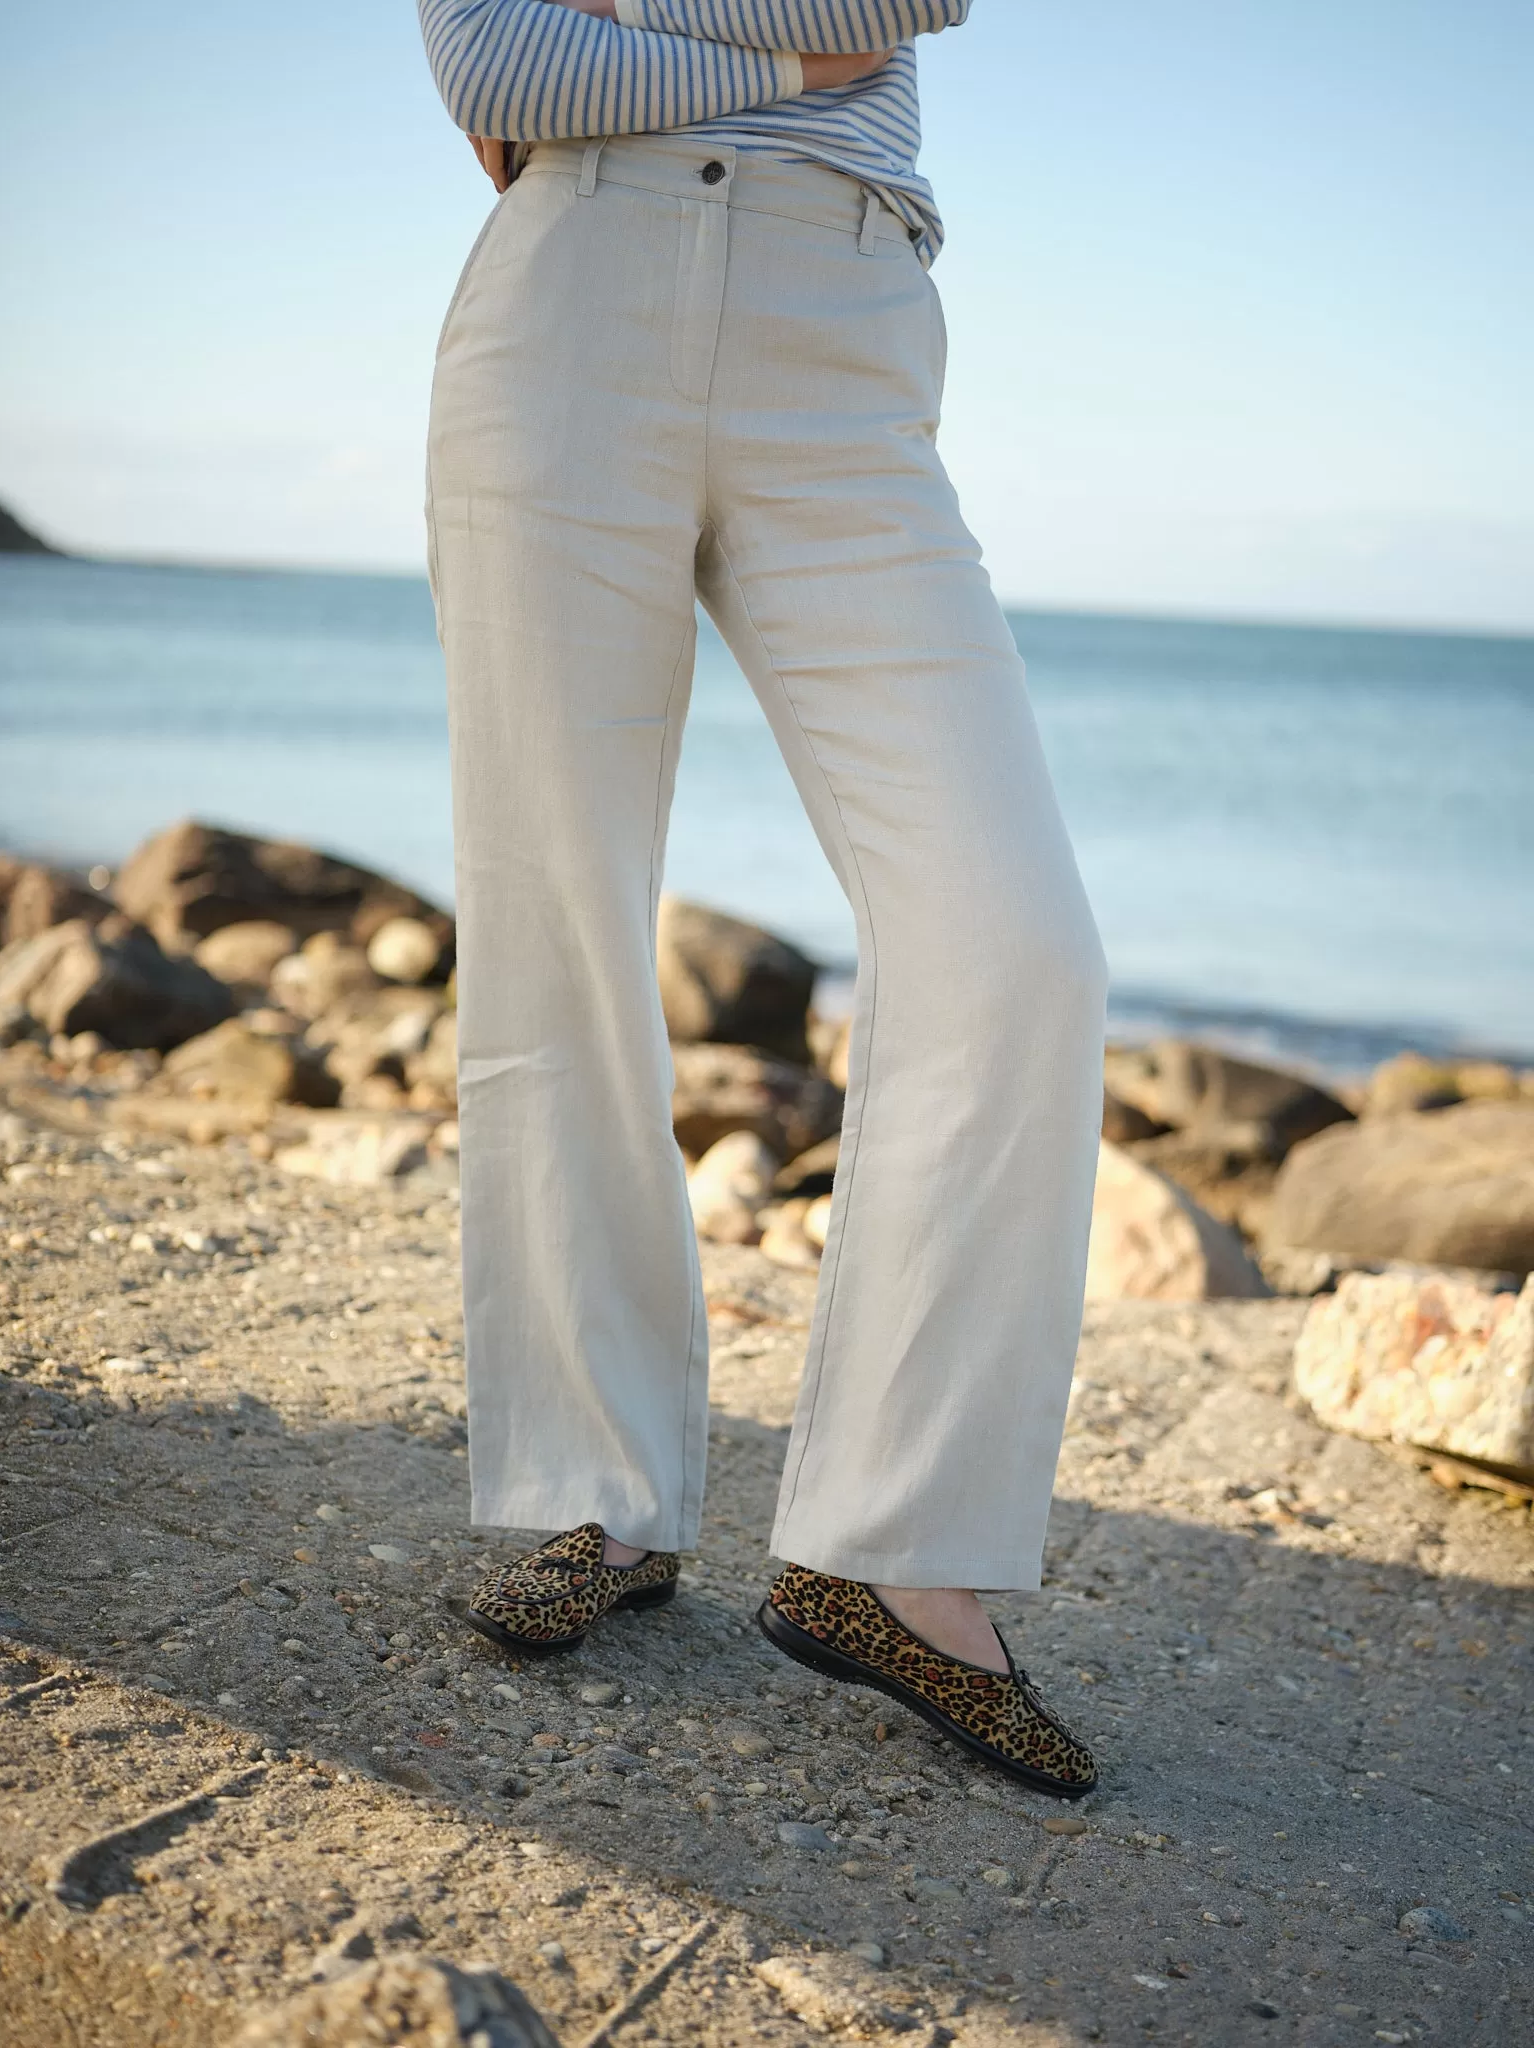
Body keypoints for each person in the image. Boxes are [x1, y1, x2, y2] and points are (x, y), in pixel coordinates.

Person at [418, 0, 1107, 1799]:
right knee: (557, 916)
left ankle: (894, 1544)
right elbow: (501, 66)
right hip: (574, 295)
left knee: (1014, 944)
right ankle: (598, 1496)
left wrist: (644, 20)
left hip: (845, 322)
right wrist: (789, 50)